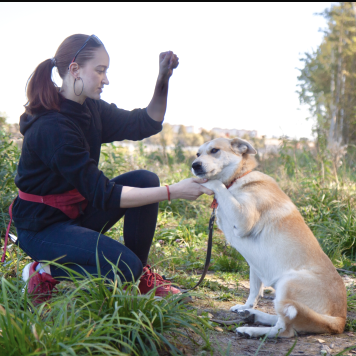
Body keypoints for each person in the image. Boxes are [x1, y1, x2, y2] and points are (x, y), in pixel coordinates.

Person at [9, 34, 212, 304]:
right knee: (124, 266)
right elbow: (104, 194)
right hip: (42, 228)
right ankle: (42, 271)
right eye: (100, 70)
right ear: (74, 70)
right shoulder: (52, 127)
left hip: (76, 214)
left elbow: (145, 123)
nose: (106, 79)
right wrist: (172, 191)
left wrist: (163, 79)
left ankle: (139, 279)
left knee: (144, 179)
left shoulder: (90, 109)